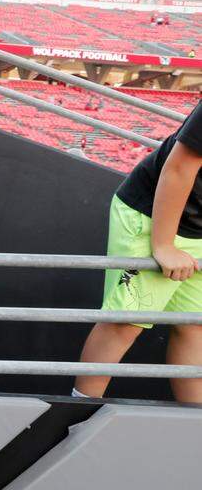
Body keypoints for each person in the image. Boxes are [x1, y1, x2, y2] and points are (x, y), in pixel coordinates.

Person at [74, 100, 202, 402]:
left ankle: (195, 424)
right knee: (125, 322)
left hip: (199, 227)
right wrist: (163, 244)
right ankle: (75, 414)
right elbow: (180, 166)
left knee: (195, 327)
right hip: (154, 216)